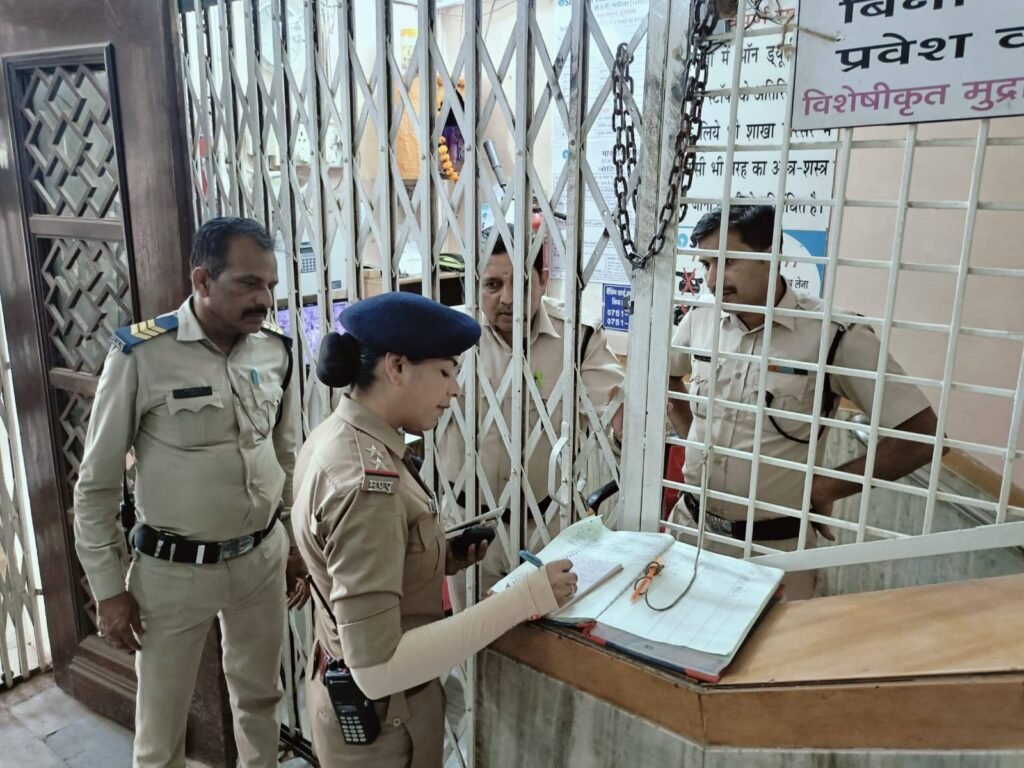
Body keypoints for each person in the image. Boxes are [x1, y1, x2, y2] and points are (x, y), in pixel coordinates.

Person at [293, 291, 577, 767]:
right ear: (397, 367)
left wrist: (439, 554)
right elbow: (378, 668)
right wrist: (526, 597)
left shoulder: (337, 437)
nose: (457, 390)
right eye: (446, 372)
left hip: (374, 710)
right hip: (385, 728)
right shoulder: (365, 485)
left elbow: (351, 562)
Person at [73, 217, 309, 768]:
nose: (264, 299)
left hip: (261, 560)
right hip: (173, 573)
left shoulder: (274, 351)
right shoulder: (141, 355)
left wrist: (293, 543)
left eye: (270, 285)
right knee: (161, 730)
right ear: (202, 280)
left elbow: (285, 456)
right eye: (248, 284)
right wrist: (108, 590)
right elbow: (96, 486)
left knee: (260, 700)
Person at [669, 205, 940, 599]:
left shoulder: (833, 335)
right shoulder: (700, 321)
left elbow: (922, 435)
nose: (712, 280)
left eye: (727, 262)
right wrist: (692, 438)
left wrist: (827, 487)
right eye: (707, 264)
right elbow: (667, 377)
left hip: (774, 551)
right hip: (690, 534)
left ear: (771, 256)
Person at [437, 230, 625, 588]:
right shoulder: (447, 337)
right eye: (492, 285)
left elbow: (616, 419)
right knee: (473, 623)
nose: (508, 299)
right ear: (473, 284)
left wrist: (624, 427)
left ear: (543, 280)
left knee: (549, 622)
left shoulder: (578, 337)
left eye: (522, 283)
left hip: (547, 525)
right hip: (466, 528)